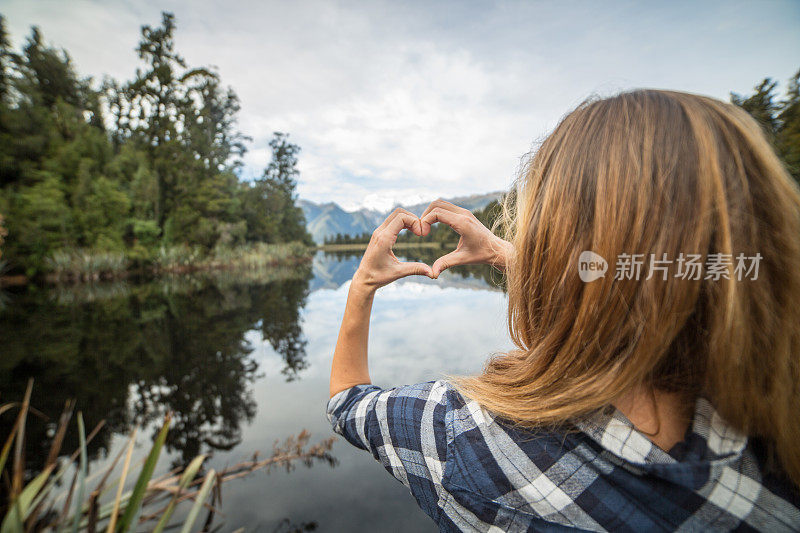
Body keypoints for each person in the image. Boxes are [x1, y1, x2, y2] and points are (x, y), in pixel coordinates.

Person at [326, 90, 800, 531]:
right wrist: (503, 251)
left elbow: (346, 402)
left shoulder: (467, 439)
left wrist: (363, 284)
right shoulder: (778, 427)